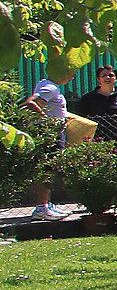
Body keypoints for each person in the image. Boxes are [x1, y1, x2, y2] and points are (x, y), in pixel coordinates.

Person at [22, 74, 70, 221]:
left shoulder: (49, 86)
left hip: (55, 133)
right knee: (46, 169)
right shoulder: (50, 87)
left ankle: (47, 205)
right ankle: (42, 208)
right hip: (50, 134)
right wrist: (47, 121)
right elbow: (30, 104)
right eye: (71, 73)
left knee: (51, 169)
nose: (72, 77)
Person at [73, 65, 117, 146]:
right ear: (98, 79)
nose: (107, 77)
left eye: (111, 75)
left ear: (116, 79)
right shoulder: (88, 98)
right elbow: (79, 118)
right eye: (103, 76)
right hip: (96, 140)